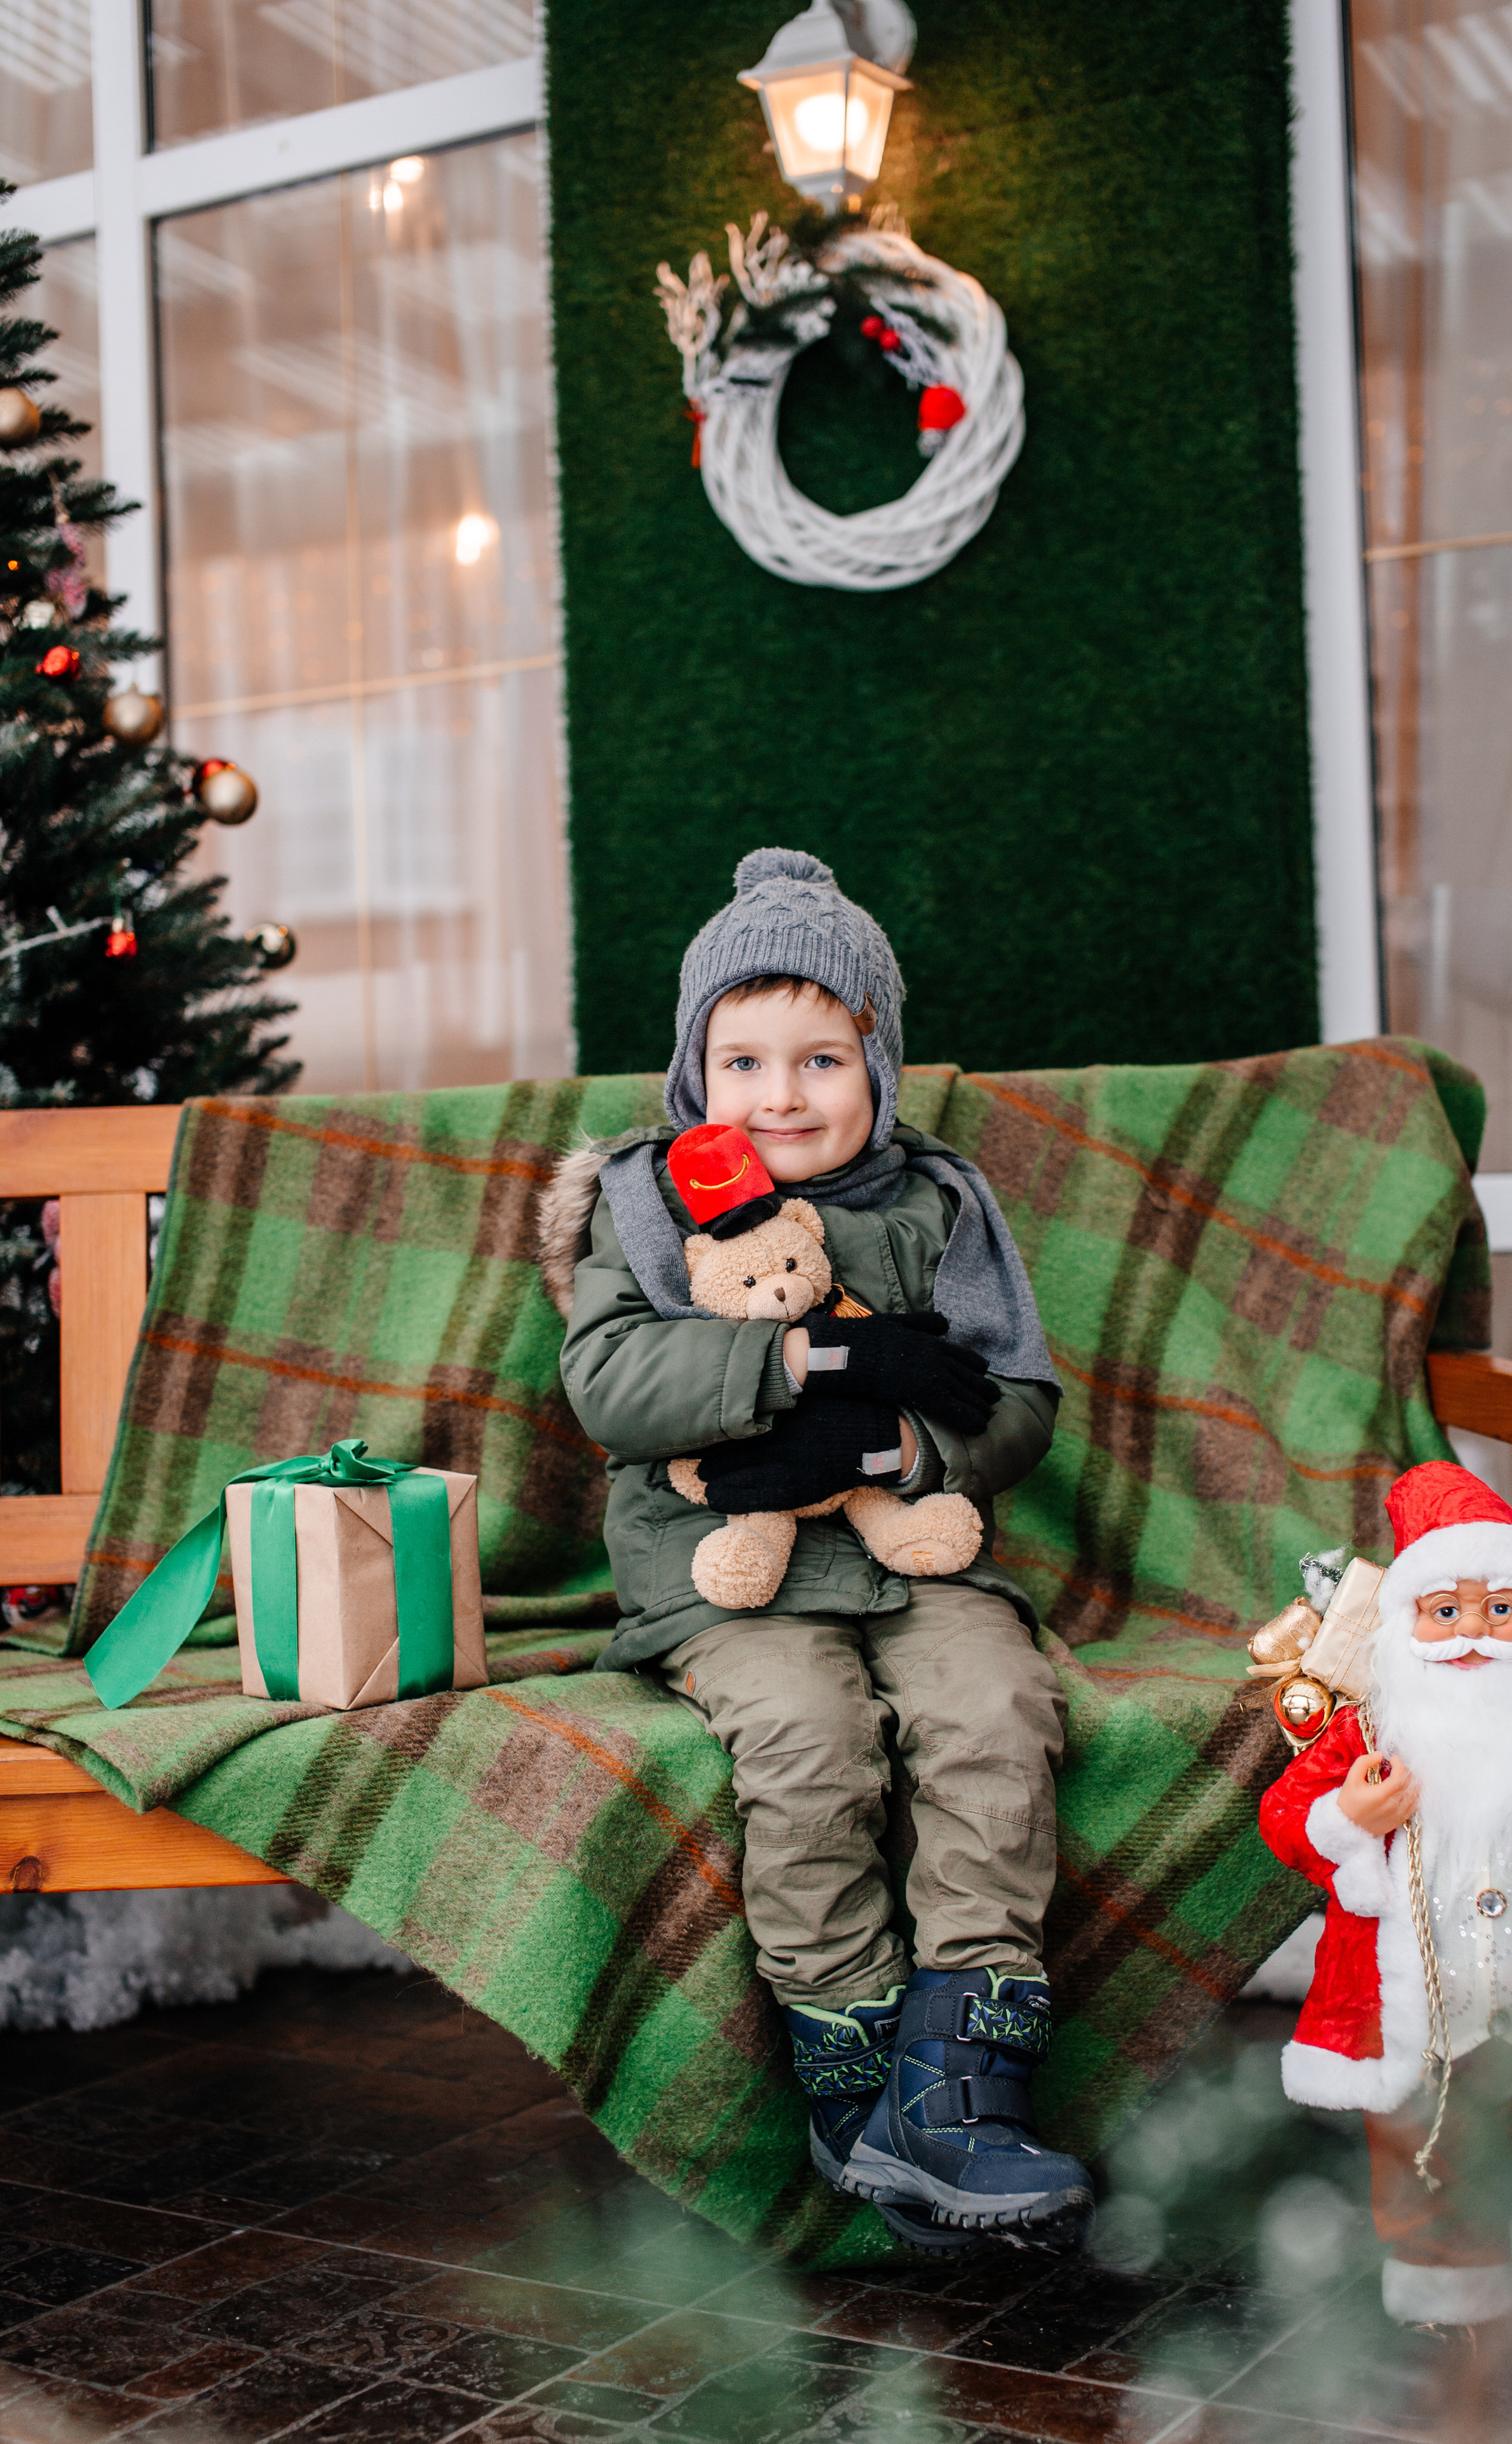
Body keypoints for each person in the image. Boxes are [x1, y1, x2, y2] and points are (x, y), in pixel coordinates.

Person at [546, 847, 1089, 2244]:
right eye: (740, 1062)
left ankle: (956, 2083)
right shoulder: (642, 1201)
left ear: (877, 1069)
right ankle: (847, 2074)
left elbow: (1013, 1399)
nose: (778, 1097)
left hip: (913, 1549)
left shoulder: (940, 1204)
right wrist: (804, 1354)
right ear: (692, 1075)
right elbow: (608, 1386)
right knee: (806, 1736)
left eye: (818, 1061)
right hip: (725, 1565)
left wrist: (917, 1453)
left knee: (997, 1706)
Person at [1259, 1459, 1512, 2378]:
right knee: (1430, 2158)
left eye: (1502, 1609)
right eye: (1446, 1611)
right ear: (1407, 1626)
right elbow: (1286, 1816)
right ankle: (1444, 2303)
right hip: (1424, 2020)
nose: (1474, 1633)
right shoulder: (1372, 1735)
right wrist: (1349, 1818)